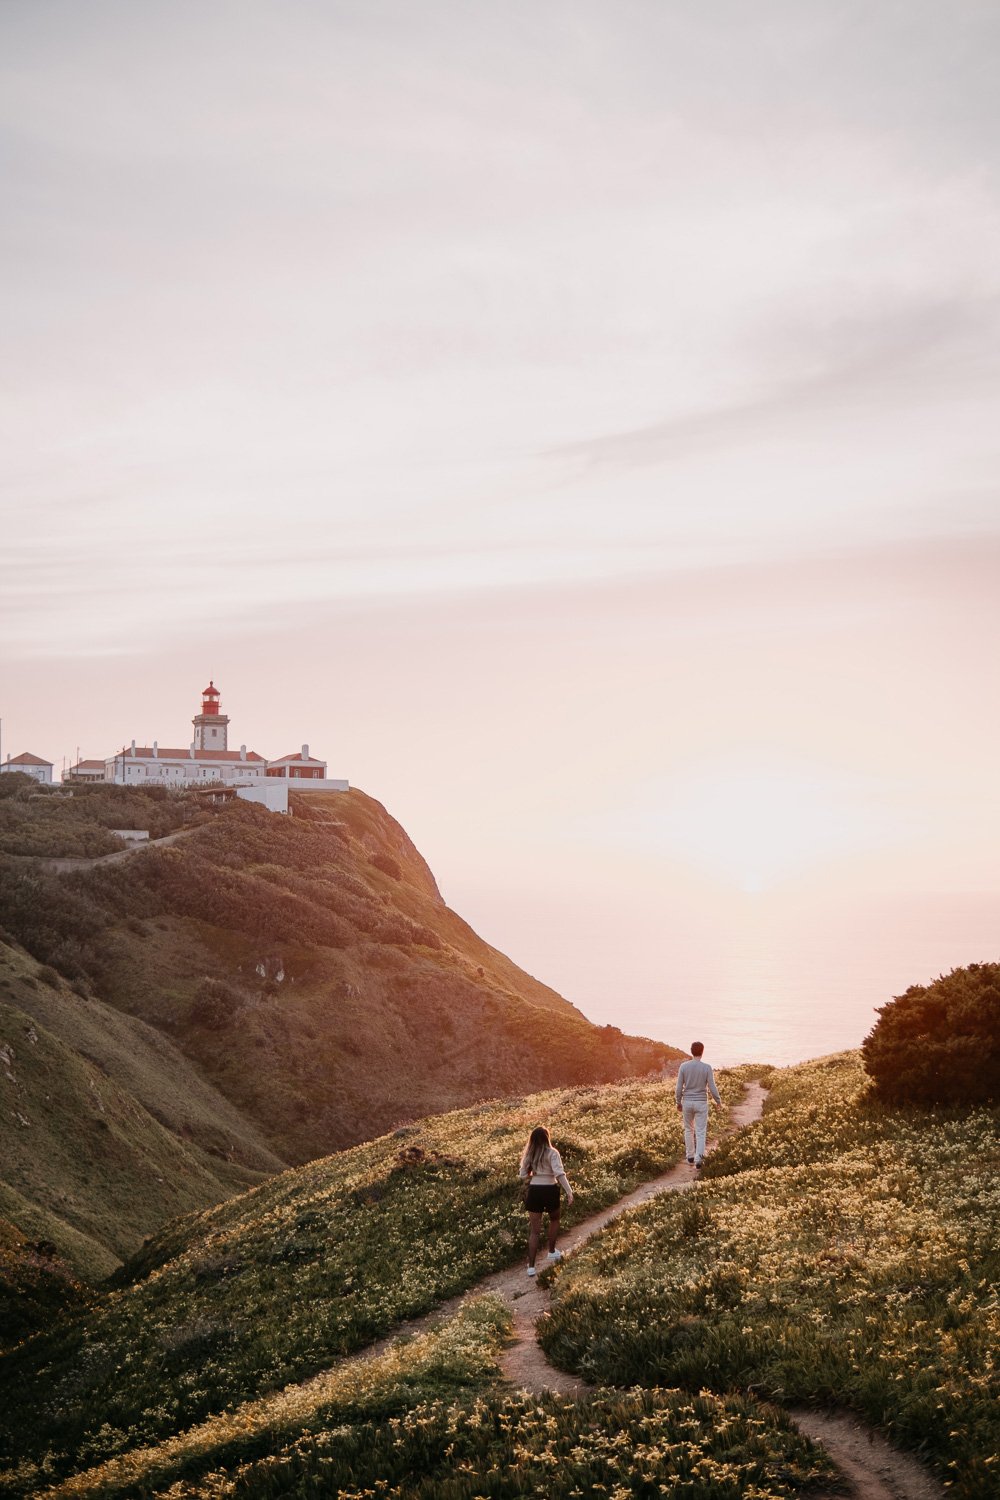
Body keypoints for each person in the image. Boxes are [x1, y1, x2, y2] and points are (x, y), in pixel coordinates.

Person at [519, 1125, 574, 1277]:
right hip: (550, 1190)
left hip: (534, 1191)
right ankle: (551, 1251)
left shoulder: (529, 1154)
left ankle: (531, 1267)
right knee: (554, 1219)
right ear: (546, 1138)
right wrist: (569, 1192)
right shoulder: (552, 1153)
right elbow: (559, 1174)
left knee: (534, 1231)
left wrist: (533, 1172)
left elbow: (523, 1174)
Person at [675, 1041, 721, 1170]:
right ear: (702, 1051)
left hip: (687, 1102)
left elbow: (679, 1087)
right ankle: (699, 1159)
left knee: (688, 1129)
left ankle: (690, 1156)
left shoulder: (683, 1067)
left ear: (691, 1051)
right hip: (701, 1103)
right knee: (701, 1131)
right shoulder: (706, 1067)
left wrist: (678, 1102)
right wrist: (718, 1101)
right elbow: (712, 1086)